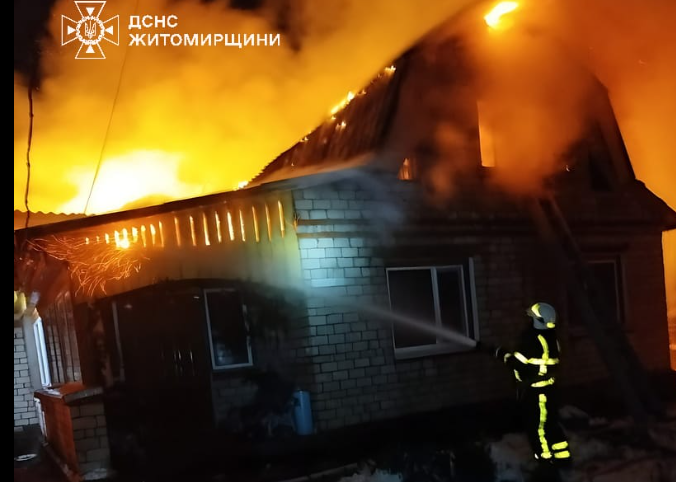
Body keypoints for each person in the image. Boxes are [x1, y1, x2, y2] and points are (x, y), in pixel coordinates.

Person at [478, 302, 571, 467]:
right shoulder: (551, 338)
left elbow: (517, 363)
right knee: (551, 425)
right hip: (549, 390)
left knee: (537, 429)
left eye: (533, 318)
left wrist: (498, 352)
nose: (530, 321)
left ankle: (545, 463)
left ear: (538, 321)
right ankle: (563, 458)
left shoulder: (532, 340)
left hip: (536, 393)